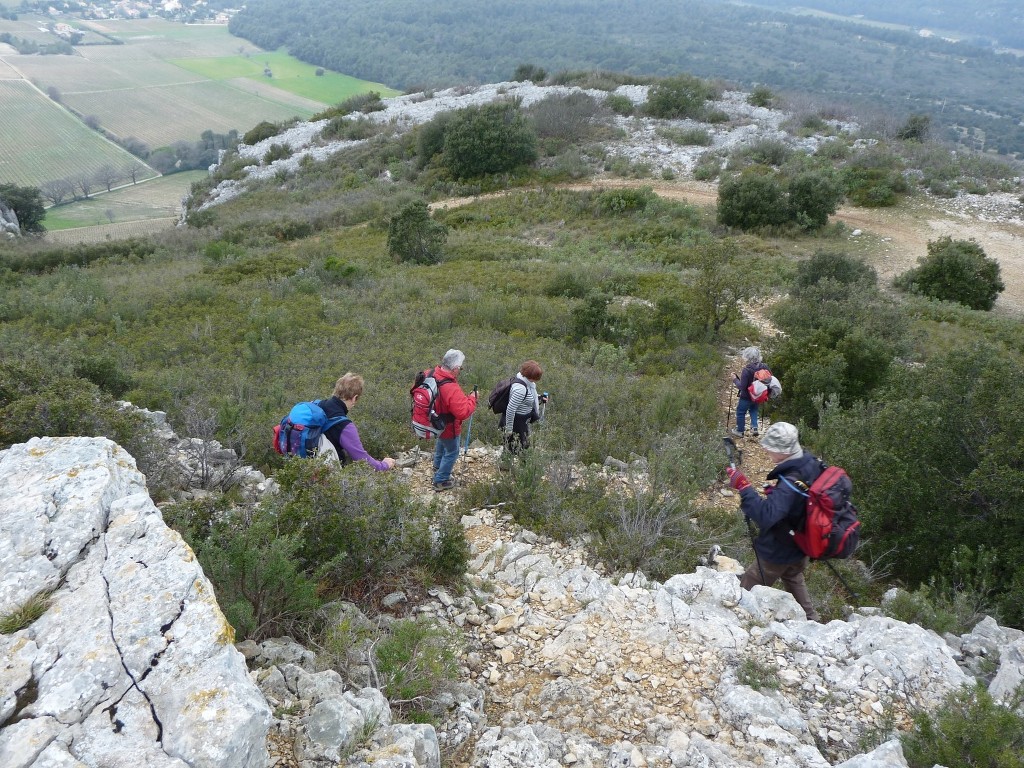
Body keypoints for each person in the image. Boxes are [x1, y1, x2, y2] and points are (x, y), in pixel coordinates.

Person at [725, 422, 821, 622]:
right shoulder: (811, 463)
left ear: (783, 451)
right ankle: (811, 620)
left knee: (752, 582)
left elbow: (766, 517)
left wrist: (744, 487)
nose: (766, 451)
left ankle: (735, 618)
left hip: (780, 548)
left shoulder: (790, 483)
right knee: (793, 576)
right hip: (802, 541)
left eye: (770, 449)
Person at [318, 373, 396, 471]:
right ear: (354, 398)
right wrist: (384, 465)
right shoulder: (344, 426)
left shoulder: (317, 406)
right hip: (322, 476)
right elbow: (362, 460)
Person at [425, 349, 478, 491]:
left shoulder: (429, 374)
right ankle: (440, 480)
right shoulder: (450, 387)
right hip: (448, 426)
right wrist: (472, 398)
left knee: (442, 442)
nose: (460, 371)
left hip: (433, 420)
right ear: (455, 369)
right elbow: (463, 412)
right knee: (452, 451)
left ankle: (437, 465)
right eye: (460, 368)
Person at [501, 360, 547, 455]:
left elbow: (528, 398)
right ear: (530, 376)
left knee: (519, 446)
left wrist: (540, 398)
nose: (536, 380)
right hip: (516, 422)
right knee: (519, 447)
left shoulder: (528, 384)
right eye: (535, 377)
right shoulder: (520, 388)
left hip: (522, 421)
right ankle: (512, 466)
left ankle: (508, 465)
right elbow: (511, 408)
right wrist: (509, 429)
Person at [731, 346, 769, 438]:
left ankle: (740, 431)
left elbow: (742, 387)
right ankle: (754, 427)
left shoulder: (746, 370)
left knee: (740, 412)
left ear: (747, 357)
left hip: (746, 396)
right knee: (754, 410)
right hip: (758, 395)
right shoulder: (764, 367)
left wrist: (735, 379)